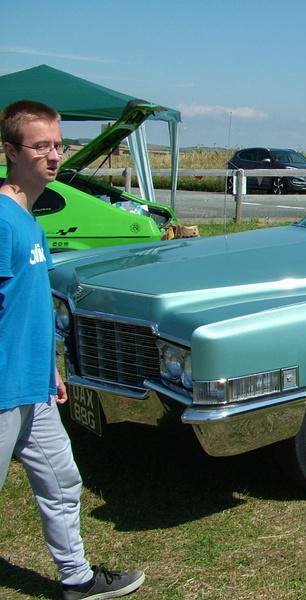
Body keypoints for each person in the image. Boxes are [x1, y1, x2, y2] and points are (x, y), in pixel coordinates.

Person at [0, 100, 145, 600]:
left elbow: (28, 307)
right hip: (0, 392)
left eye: (57, 145)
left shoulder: (30, 221)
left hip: (34, 389)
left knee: (63, 482)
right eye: (40, 146)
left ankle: (77, 580)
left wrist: (50, 370)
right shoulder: (0, 220)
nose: (53, 155)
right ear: (10, 152)